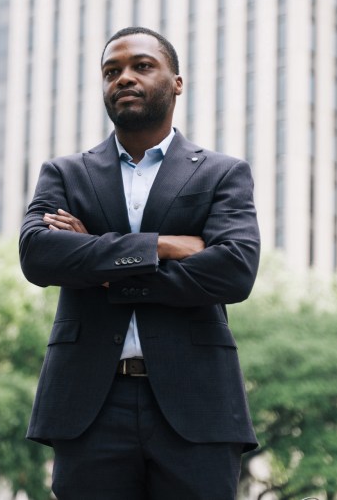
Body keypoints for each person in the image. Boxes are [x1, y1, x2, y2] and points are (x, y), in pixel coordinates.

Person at [19, 26, 261, 499]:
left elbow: (234, 269)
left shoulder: (221, 173)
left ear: (176, 82)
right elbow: (38, 255)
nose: (124, 78)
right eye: (112, 71)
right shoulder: (66, 173)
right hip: (89, 404)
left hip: (198, 405)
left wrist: (103, 268)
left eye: (141, 66)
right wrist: (162, 246)